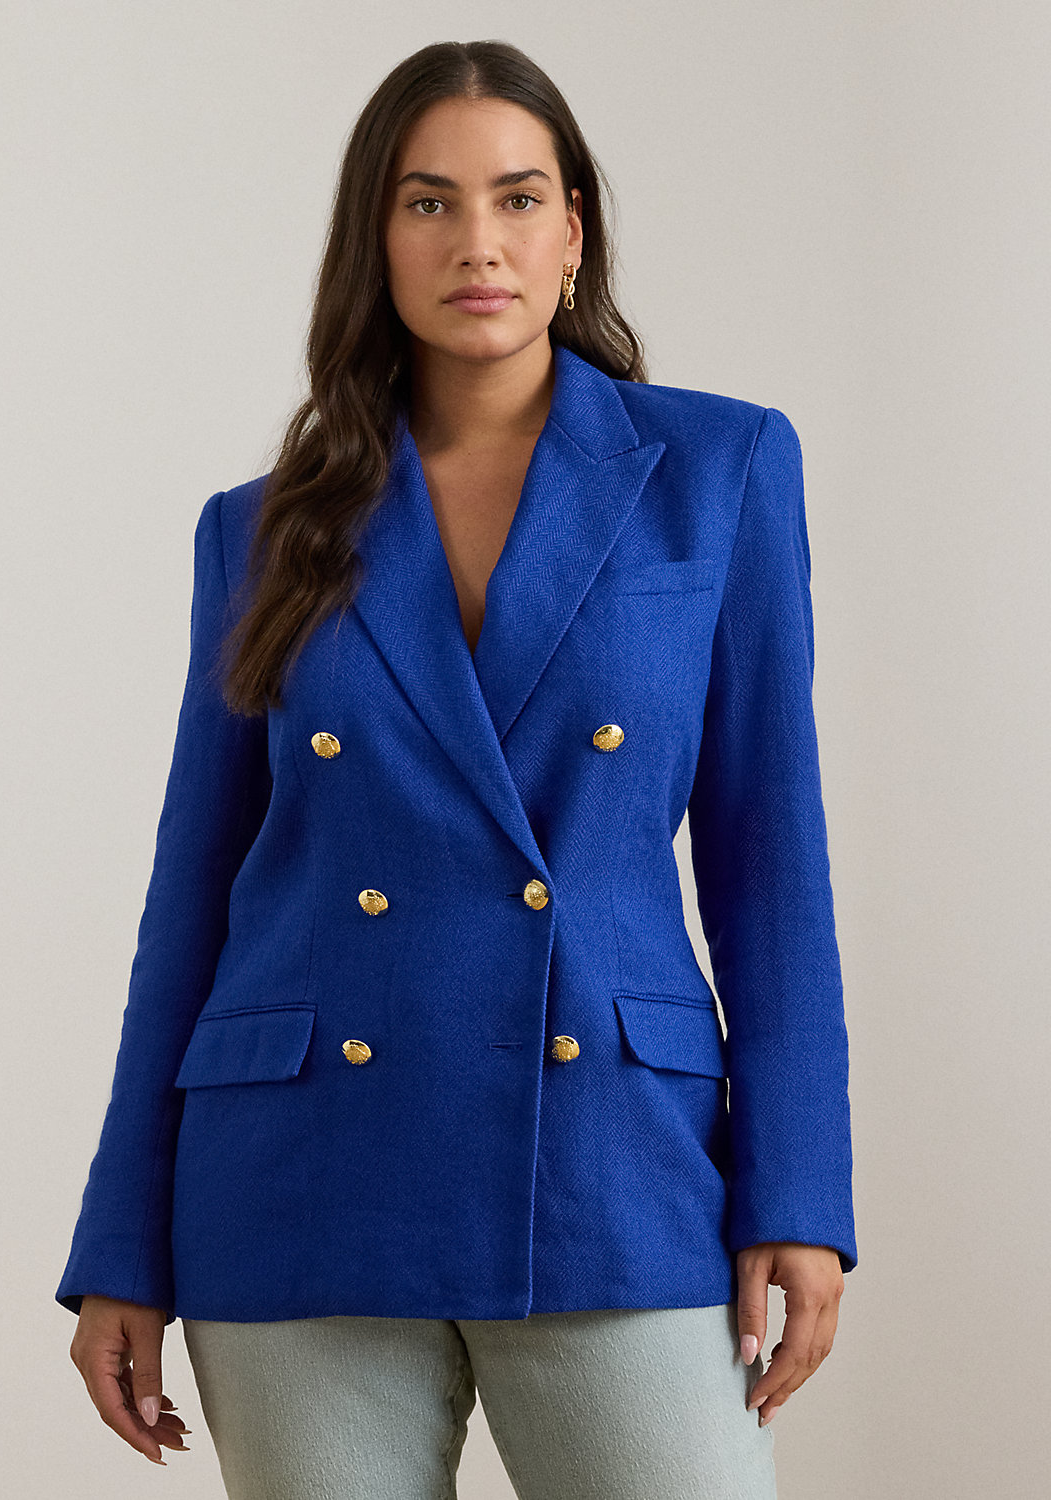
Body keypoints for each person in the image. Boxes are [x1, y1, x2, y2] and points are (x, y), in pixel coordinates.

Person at [57, 38, 857, 1500]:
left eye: (516, 197)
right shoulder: (263, 529)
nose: (476, 242)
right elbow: (192, 898)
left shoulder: (718, 473)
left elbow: (770, 866)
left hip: (616, 1163)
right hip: (301, 1178)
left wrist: (799, 1190)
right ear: (375, 239)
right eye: (427, 202)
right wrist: (122, 1243)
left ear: (573, 232)